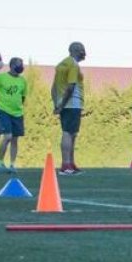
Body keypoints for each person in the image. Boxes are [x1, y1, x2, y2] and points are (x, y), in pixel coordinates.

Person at [52, 41, 86, 175]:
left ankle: (70, 163)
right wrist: (62, 104)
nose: (84, 52)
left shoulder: (61, 64)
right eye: (82, 50)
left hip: (64, 103)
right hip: (72, 103)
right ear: (75, 50)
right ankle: (66, 164)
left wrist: (57, 103)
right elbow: (71, 87)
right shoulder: (72, 65)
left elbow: (54, 87)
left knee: (72, 133)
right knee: (68, 132)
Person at [0, 58, 27, 174]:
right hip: (4, 110)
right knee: (7, 136)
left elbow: (23, 97)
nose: (21, 66)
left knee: (15, 139)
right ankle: (0, 162)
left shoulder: (23, 81)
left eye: (22, 64)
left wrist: (18, 106)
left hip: (18, 113)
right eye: (18, 64)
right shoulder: (1, 77)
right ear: (11, 66)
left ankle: (12, 164)